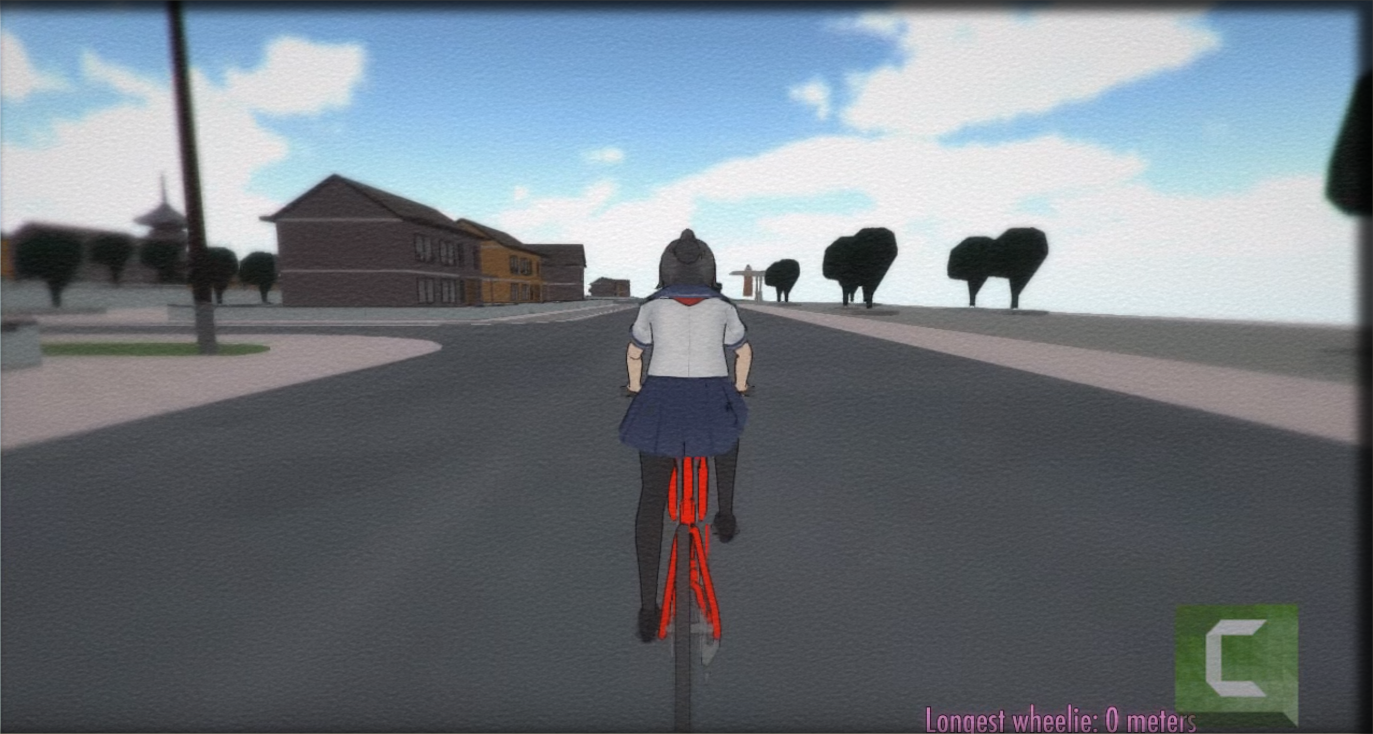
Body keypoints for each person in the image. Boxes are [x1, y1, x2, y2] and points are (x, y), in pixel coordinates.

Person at [619, 228, 753, 643]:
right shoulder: (724, 307)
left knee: (651, 499)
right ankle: (725, 513)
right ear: (709, 270)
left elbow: (635, 353)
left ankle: (648, 608)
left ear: (666, 270)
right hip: (710, 398)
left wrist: (635, 386)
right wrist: (740, 386)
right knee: (730, 430)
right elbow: (742, 352)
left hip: (662, 401)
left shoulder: (651, 307)